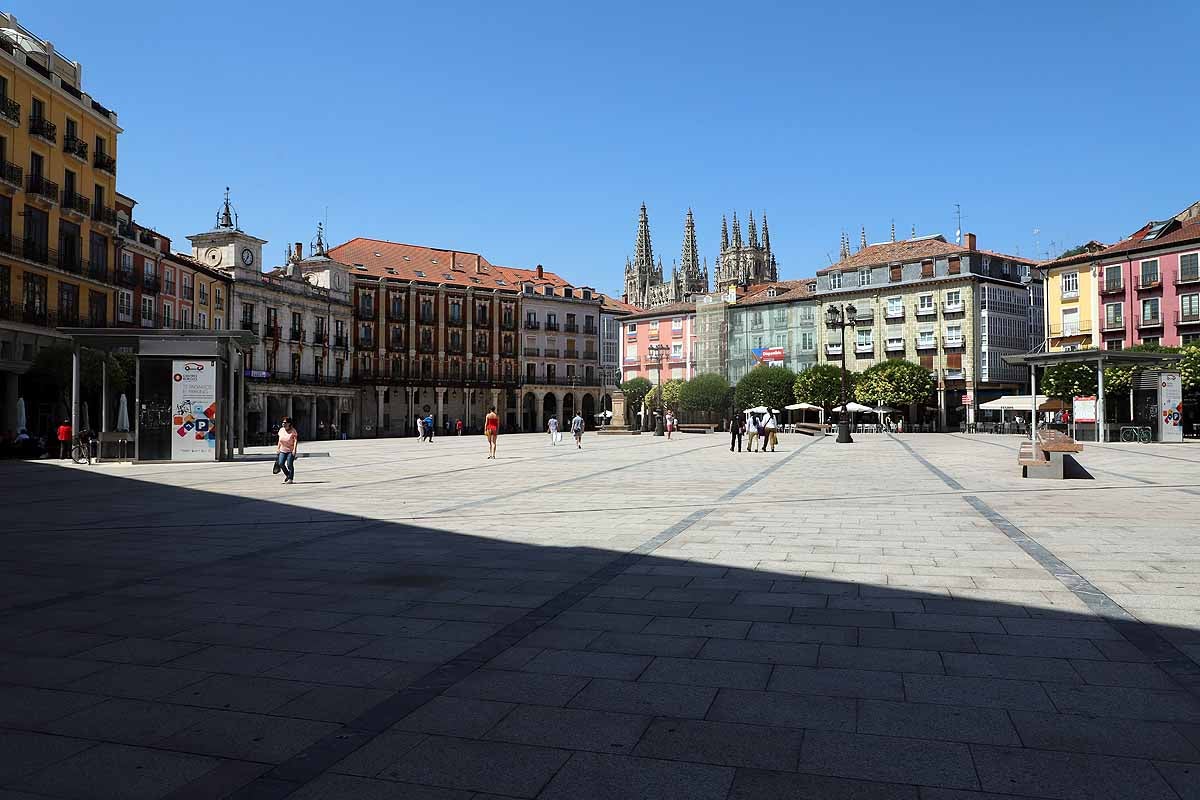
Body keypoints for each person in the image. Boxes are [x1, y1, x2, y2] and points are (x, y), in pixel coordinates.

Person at [276, 417, 298, 484]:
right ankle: (288, 475)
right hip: (283, 449)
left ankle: (290, 479)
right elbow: (280, 440)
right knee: (281, 463)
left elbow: (295, 441)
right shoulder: (281, 430)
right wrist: (278, 448)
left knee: (289, 464)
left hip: (290, 451)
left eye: (285, 423)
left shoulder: (293, 431)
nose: (283, 424)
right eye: (283, 422)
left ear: (289, 423)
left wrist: (294, 450)